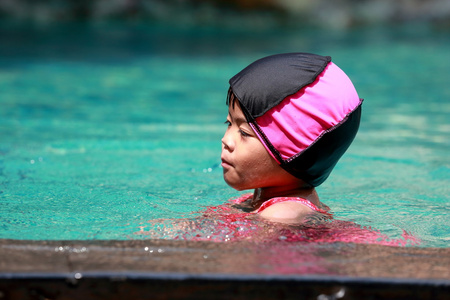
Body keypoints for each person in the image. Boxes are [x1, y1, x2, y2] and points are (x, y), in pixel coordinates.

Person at [220, 52, 362, 225]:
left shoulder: (282, 215)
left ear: (293, 152)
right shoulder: (261, 200)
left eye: (243, 133)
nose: (226, 140)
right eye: (229, 123)